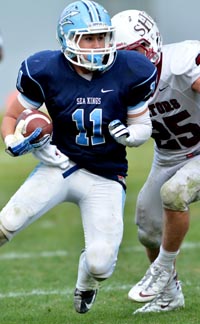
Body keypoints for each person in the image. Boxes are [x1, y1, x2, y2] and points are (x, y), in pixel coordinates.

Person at [0, 1, 157, 315]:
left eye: (101, 37)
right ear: (68, 38)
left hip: (106, 175)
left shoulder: (131, 69)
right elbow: (13, 115)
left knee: (102, 265)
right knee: (6, 223)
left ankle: (87, 279)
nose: (98, 45)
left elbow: (142, 125)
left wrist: (132, 136)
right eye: (89, 38)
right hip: (58, 164)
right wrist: (13, 140)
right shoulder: (44, 68)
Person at [112, 9, 200, 313]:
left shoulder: (182, 62)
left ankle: (160, 271)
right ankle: (170, 294)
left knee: (174, 193)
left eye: (134, 52)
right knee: (147, 227)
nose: (129, 62)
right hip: (169, 156)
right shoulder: (119, 84)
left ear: (151, 44)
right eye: (121, 56)